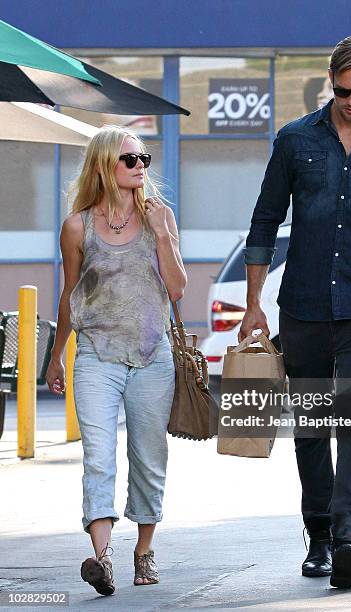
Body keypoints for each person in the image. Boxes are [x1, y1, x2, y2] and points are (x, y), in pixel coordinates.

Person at [239, 36, 351, 588]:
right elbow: (265, 220)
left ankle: (348, 534)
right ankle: (318, 533)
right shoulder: (295, 140)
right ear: (330, 81)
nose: (350, 102)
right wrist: (253, 304)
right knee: (315, 426)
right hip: (305, 307)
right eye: (342, 91)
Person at [45, 125, 187, 595]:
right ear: (106, 165)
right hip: (95, 355)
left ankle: (143, 549)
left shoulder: (159, 217)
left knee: (148, 458)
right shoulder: (76, 226)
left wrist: (163, 233)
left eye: (144, 158)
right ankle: (101, 557)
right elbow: (70, 293)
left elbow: (178, 288)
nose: (141, 166)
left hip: (152, 356)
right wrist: (56, 357)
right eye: (130, 159)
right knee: (98, 455)